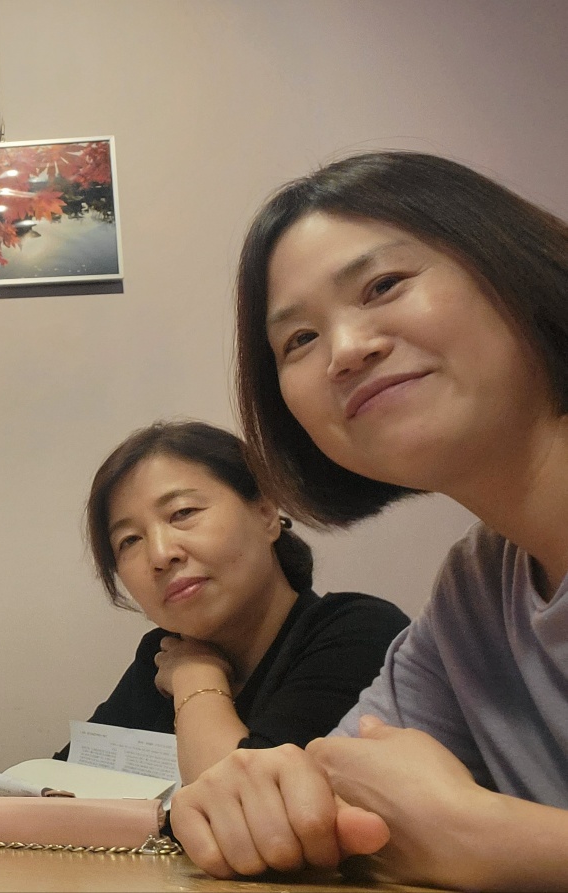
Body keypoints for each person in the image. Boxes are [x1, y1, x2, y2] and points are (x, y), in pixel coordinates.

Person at [170, 151, 568, 890]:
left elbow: (442, 830)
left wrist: (484, 838)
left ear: (512, 264)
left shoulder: (347, 624)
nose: (346, 352)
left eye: (383, 285)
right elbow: (344, 796)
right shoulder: (477, 590)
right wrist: (256, 801)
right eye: (299, 340)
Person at [64, 420, 407, 783]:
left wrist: (195, 675)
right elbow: (59, 785)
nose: (160, 554)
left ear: (266, 513)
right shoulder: (162, 654)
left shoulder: (360, 631)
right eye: (130, 540)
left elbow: (245, 803)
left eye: (183, 513)